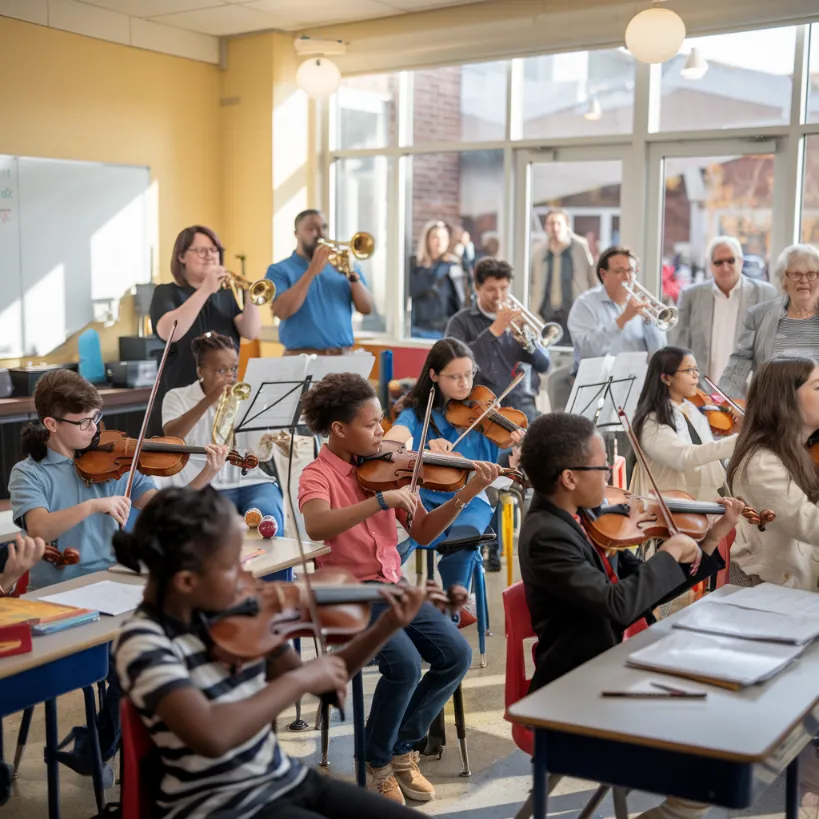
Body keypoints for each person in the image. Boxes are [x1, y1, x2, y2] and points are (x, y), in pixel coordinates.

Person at [114, 485, 443, 819]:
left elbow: (326, 685)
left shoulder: (233, 614)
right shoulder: (144, 641)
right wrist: (302, 677)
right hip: (222, 806)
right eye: (232, 566)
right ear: (186, 581)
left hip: (285, 779)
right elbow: (212, 735)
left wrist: (386, 626)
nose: (247, 577)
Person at [8, 368, 228, 779]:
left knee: (174, 645)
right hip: (60, 596)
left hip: (115, 584)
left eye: (97, 419)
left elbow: (166, 512)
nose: (96, 429)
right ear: (52, 424)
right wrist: (96, 505)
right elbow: (38, 526)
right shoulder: (30, 473)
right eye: (85, 422)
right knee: (134, 658)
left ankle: (106, 746)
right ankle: (106, 747)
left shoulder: (116, 458)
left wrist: (207, 474)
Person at [518, 412, 739, 819]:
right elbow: (618, 604)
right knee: (707, 771)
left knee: (715, 725)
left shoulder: (584, 521)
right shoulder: (547, 535)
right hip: (572, 690)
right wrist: (670, 552)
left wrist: (710, 539)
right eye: (603, 467)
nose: (610, 478)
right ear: (569, 478)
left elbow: (642, 594)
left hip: (610, 671)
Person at [298, 372, 500, 804]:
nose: (381, 433)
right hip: (346, 594)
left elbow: (425, 532)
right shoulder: (316, 475)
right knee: (405, 664)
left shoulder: (388, 470)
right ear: (339, 429)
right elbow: (316, 523)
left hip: (391, 586)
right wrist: (379, 502)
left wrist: (468, 492)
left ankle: (400, 748)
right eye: (371, 425)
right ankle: (378, 762)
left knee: (456, 654)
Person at [384, 339, 515, 581]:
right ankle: (386, 590)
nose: (465, 383)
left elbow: (503, 458)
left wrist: (520, 448)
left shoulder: (485, 414)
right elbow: (391, 444)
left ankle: (453, 606)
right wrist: (422, 449)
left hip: (470, 498)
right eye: (454, 377)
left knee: (464, 542)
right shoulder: (416, 412)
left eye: (469, 374)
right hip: (423, 498)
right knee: (390, 541)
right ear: (434, 375)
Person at [160, 332, 288, 577]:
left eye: (234, 369)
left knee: (269, 522)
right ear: (201, 370)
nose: (230, 376)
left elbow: (258, 452)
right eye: (221, 371)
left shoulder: (245, 397)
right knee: (224, 534)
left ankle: (276, 592)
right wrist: (210, 399)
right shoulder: (177, 397)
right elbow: (172, 434)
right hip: (208, 486)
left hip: (252, 480)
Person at [149, 225, 262, 435]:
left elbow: (251, 331)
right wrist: (206, 289)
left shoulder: (228, 295)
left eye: (214, 250)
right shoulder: (166, 292)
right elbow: (169, 332)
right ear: (181, 256)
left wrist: (250, 297)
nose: (209, 255)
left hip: (223, 399)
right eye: (201, 250)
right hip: (181, 399)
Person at [726, 357, 819, 590]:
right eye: (817, 387)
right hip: (769, 593)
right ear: (787, 399)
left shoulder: (799, 450)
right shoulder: (761, 464)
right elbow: (811, 524)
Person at [445, 257, 550, 424]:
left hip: (522, 406)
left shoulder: (518, 320)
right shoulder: (459, 322)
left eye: (503, 288)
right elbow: (454, 364)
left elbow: (544, 365)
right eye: (491, 289)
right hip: (481, 406)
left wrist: (528, 343)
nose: (498, 296)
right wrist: (494, 331)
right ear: (477, 288)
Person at [631, 347, 737, 502]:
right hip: (667, 508)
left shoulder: (692, 410)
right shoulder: (651, 421)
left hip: (699, 501)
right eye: (688, 370)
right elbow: (684, 458)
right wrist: (734, 442)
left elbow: (709, 459)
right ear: (667, 378)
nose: (696, 375)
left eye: (696, 369)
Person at [670, 236, 777, 385]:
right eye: (718, 262)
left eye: (730, 260)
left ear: (740, 261)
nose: (725, 267)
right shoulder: (690, 295)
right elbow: (679, 346)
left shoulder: (765, 294)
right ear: (710, 265)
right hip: (700, 393)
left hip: (748, 395)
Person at [265, 210, 373, 355]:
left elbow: (366, 308)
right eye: (311, 229)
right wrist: (312, 271)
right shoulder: (279, 270)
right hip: (301, 358)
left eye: (324, 227)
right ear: (296, 234)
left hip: (343, 355)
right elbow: (281, 311)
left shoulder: (344, 266)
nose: (320, 233)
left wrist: (352, 277)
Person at [718, 243, 819, 398]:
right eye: (796, 274)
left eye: (811, 274)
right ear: (784, 279)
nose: (804, 280)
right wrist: (727, 402)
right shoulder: (758, 316)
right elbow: (737, 368)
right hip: (771, 413)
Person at [567, 246, 666, 369]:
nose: (627, 277)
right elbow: (587, 351)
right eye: (619, 271)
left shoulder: (640, 304)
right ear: (603, 274)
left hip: (638, 379)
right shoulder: (585, 304)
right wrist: (623, 319)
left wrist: (650, 321)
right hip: (598, 380)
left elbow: (659, 352)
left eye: (631, 270)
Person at [529, 209, 596, 344]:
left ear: (567, 226)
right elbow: (531, 282)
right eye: (551, 224)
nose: (555, 228)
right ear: (545, 227)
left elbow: (591, 279)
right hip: (546, 313)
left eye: (559, 223)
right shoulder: (538, 250)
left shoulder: (579, 246)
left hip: (574, 311)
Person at [409, 220, 468, 339]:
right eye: (435, 237)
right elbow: (415, 290)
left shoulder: (453, 266)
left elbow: (461, 301)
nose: (440, 242)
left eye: (444, 237)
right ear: (427, 240)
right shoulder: (415, 265)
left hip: (443, 330)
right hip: (418, 328)